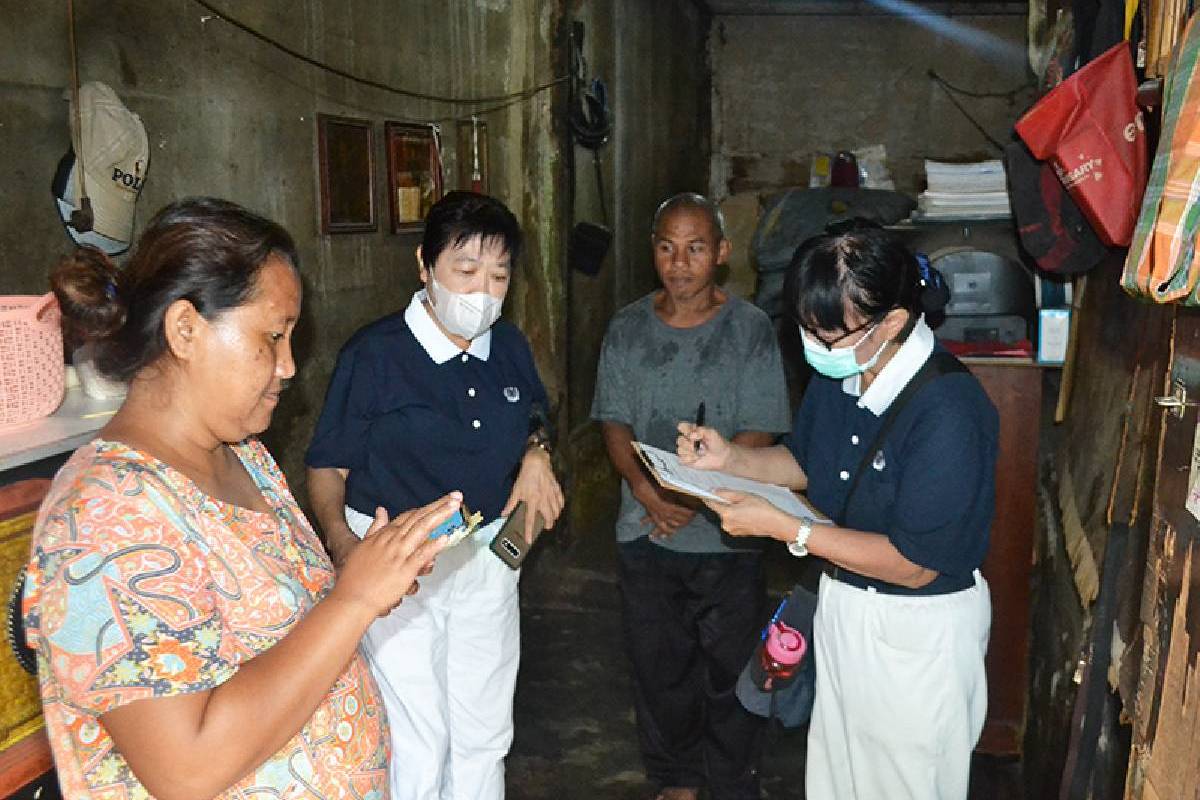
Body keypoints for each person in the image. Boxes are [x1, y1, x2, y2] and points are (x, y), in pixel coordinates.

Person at [23, 197, 458, 800]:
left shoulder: (243, 457)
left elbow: (278, 636)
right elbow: (186, 767)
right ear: (185, 330)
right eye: (273, 337)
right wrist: (355, 600)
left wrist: (364, 573)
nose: (287, 366)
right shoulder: (104, 516)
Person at [677, 222, 998, 799]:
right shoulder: (845, 371)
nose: (815, 347)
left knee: (904, 784)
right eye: (806, 330)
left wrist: (787, 529)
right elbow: (805, 463)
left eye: (829, 335)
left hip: (916, 632)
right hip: (844, 608)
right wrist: (728, 459)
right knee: (835, 782)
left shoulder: (949, 410)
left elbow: (914, 564)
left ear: (894, 322)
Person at [305, 190, 564, 800]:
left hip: (489, 557)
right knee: (416, 736)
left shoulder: (510, 346)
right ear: (424, 266)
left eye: (499, 276)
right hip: (398, 563)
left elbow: (533, 411)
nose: (482, 293)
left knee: (484, 731)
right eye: (465, 271)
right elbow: (327, 469)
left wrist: (537, 453)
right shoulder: (375, 356)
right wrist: (346, 551)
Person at [592, 192, 790, 800]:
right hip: (646, 532)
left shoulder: (750, 330)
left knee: (733, 671)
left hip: (730, 532)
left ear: (722, 254)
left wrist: (702, 495)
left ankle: (732, 781)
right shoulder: (627, 328)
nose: (679, 263)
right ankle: (675, 779)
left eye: (695, 248)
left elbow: (759, 430)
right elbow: (615, 424)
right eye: (666, 247)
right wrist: (648, 493)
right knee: (660, 669)